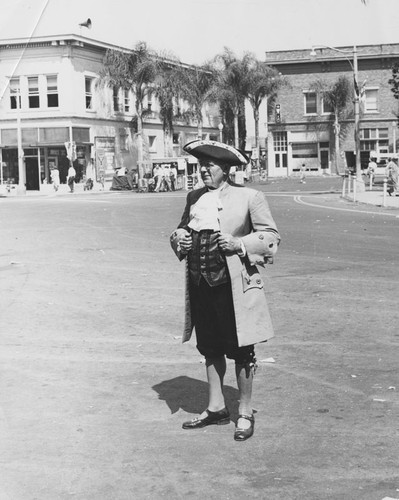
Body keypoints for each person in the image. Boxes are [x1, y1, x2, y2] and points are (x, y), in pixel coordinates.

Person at [170, 139, 280, 442]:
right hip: (200, 285)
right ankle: (216, 407)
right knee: (209, 347)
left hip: (234, 288)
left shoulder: (249, 197)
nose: (204, 170)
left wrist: (240, 244)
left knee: (241, 349)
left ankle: (244, 412)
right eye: (201, 165)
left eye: (211, 165)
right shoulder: (194, 197)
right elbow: (180, 230)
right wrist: (180, 239)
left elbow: (271, 237)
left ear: (226, 169)